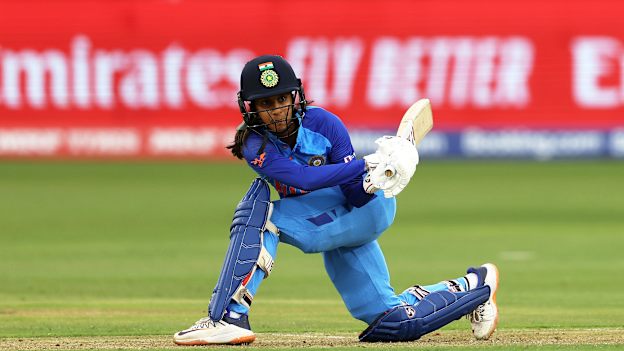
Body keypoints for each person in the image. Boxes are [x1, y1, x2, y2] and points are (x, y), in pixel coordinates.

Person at [173, 55, 499, 345]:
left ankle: (229, 317)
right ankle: (475, 287)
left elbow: (355, 195)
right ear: (251, 108)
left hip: (364, 209)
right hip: (329, 220)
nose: (276, 111)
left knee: (261, 218)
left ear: (295, 96)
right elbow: (301, 179)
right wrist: (368, 163)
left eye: (281, 99)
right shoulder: (253, 143)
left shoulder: (325, 124)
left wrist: (376, 178)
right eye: (265, 104)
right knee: (393, 321)